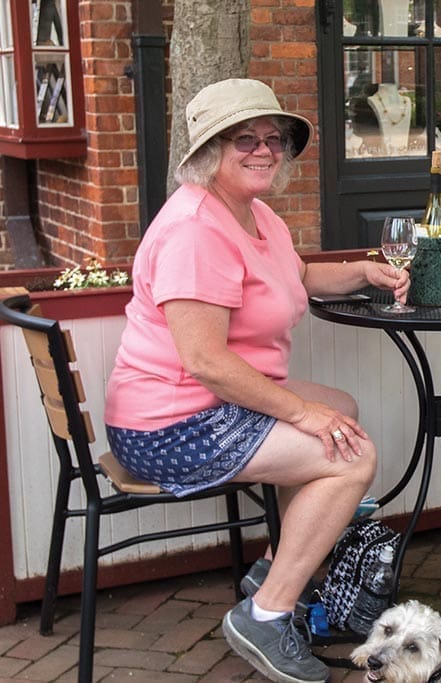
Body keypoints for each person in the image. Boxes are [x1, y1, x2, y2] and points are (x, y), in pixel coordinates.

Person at [104, 78, 408, 683]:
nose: (264, 150)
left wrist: (362, 271)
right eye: (245, 139)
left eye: (273, 139)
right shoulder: (195, 228)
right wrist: (300, 414)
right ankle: (266, 615)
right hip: (168, 423)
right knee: (349, 455)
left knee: (339, 408)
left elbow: (296, 278)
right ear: (210, 150)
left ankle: (272, 571)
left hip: (204, 404)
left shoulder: (254, 212)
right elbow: (206, 362)